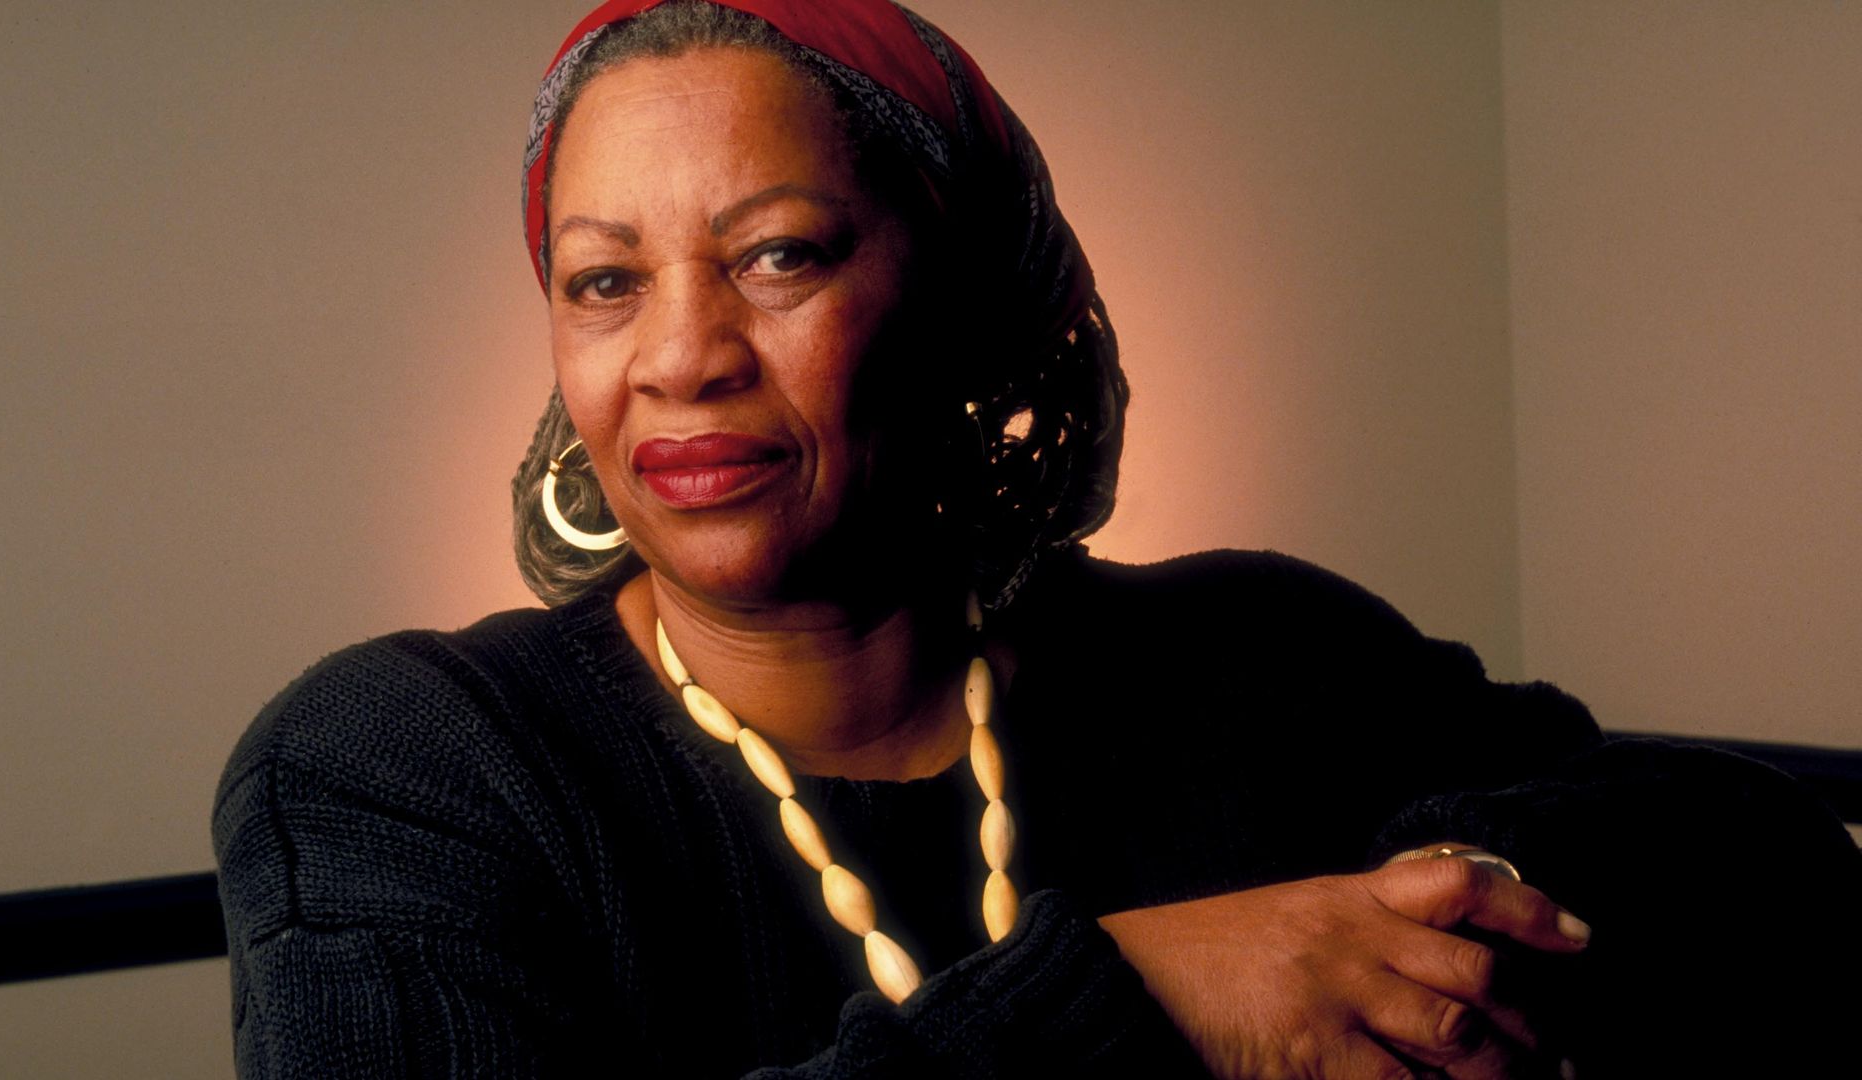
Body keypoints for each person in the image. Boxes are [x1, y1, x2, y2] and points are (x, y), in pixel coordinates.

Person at [212, 2, 1861, 1077]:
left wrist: (1447, 907)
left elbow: (1765, 856)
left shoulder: (1252, 655)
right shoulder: (400, 764)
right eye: (604, 281)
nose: (682, 355)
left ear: (958, 298)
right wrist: (1155, 998)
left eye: (779, 255)